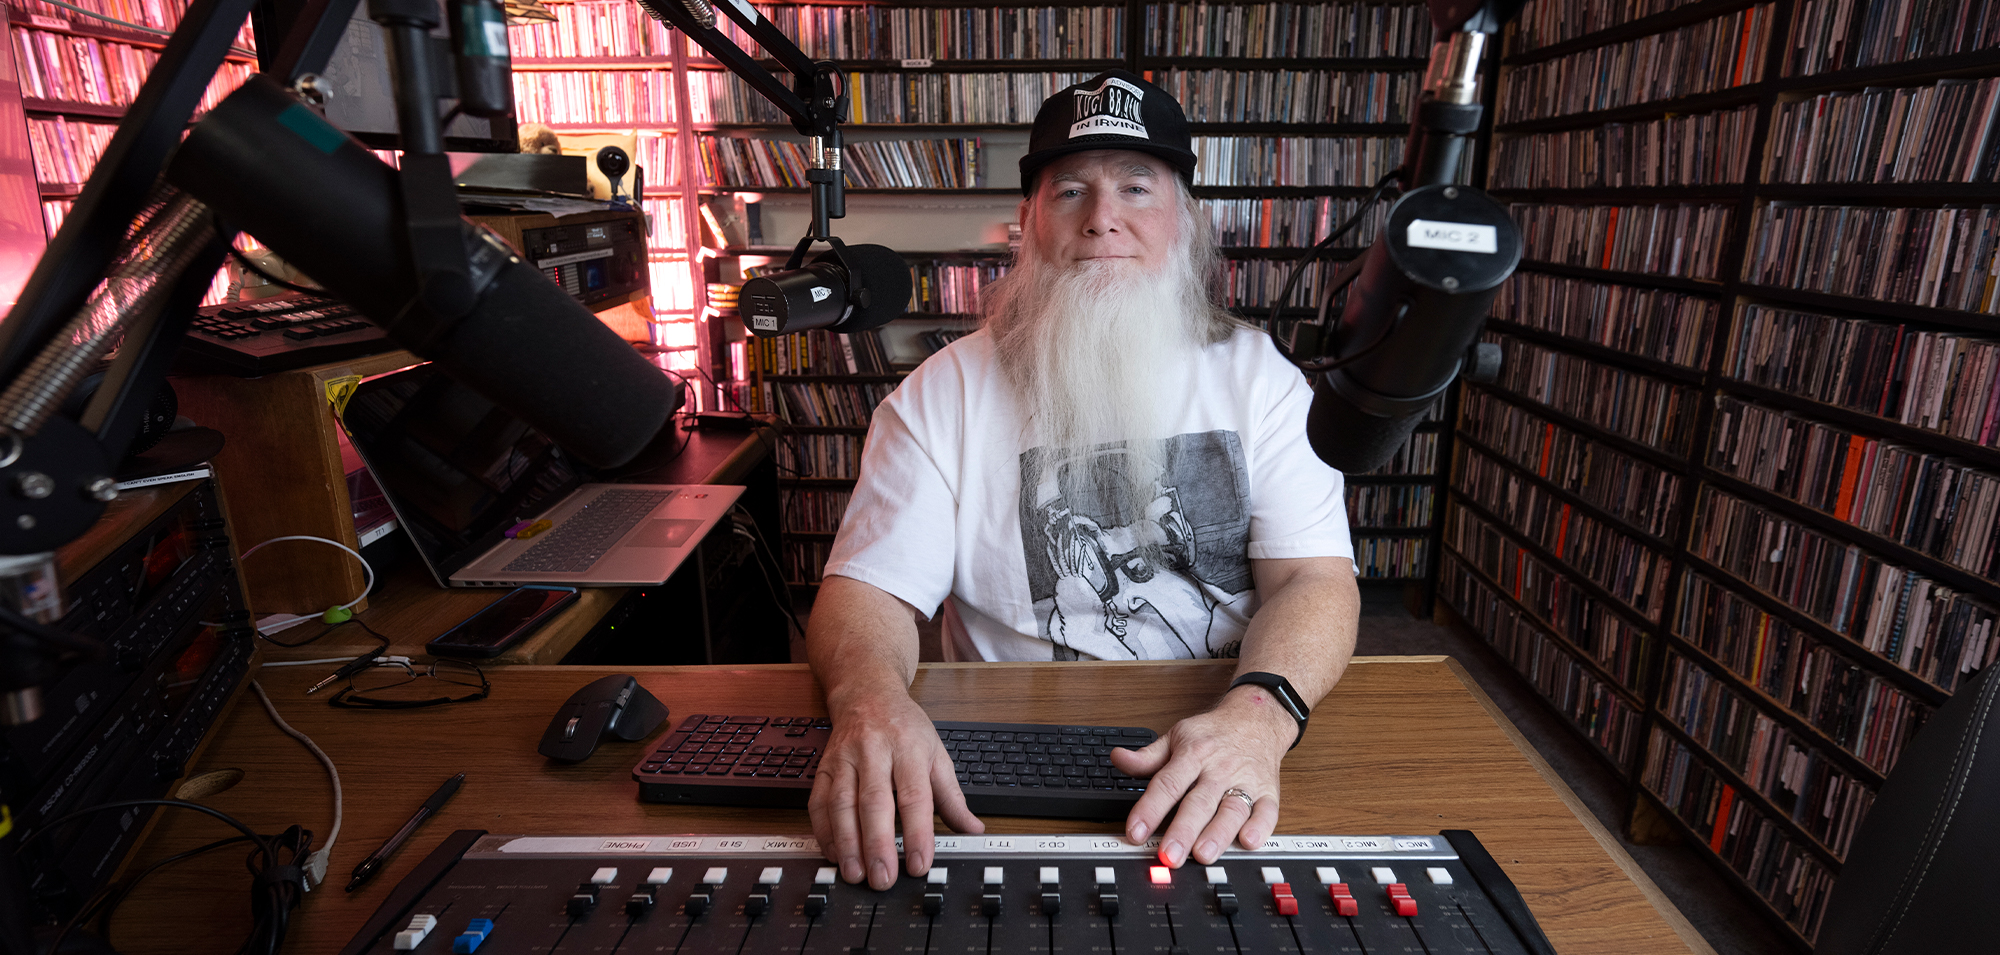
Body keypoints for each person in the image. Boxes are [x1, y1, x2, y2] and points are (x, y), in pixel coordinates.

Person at [805, 69, 1360, 890]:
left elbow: (1315, 579)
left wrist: (1256, 718)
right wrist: (867, 697)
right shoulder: (943, 392)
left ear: (1184, 221)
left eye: (1137, 187)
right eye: (1069, 191)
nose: (1103, 218)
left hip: (1229, 725)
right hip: (1007, 752)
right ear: (1028, 222)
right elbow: (867, 594)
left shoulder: (1261, 378)